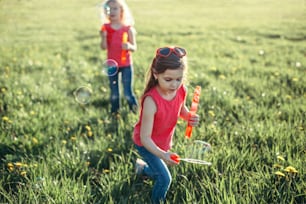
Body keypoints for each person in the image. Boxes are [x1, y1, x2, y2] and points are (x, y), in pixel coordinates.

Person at [133, 46, 200, 203]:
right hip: (146, 144)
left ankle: (142, 169)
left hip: (164, 142)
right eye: (168, 80)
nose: (174, 85)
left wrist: (189, 117)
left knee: (158, 170)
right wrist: (163, 155)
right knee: (165, 179)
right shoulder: (151, 101)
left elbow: (180, 109)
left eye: (179, 79)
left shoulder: (181, 90)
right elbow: (145, 138)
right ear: (156, 74)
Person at [99, 0, 138, 114]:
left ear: (122, 11)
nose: (112, 11)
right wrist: (103, 38)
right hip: (111, 65)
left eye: (115, 8)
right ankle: (115, 113)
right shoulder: (105, 28)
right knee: (114, 93)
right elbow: (103, 47)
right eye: (109, 9)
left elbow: (134, 47)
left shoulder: (128, 29)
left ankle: (135, 111)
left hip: (126, 65)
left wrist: (129, 46)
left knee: (127, 92)